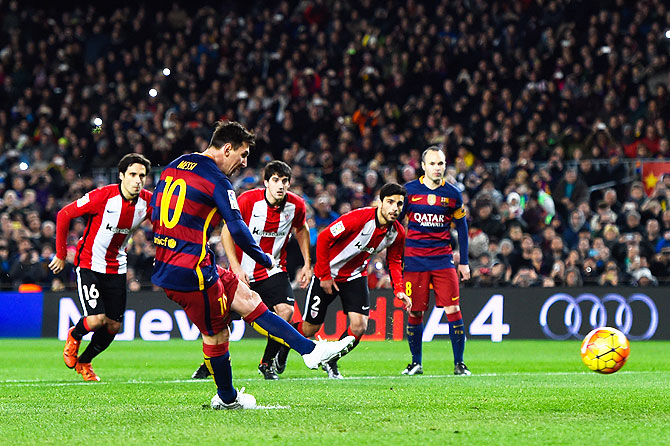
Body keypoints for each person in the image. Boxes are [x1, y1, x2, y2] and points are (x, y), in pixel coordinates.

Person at [150, 121, 354, 409]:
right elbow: (236, 227)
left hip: (179, 260)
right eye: (243, 155)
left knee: (248, 298)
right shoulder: (218, 180)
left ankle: (310, 351)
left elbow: (155, 210)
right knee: (217, 334)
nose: (244, 162)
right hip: (191, 272)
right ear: (227, 148)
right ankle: (228, 398)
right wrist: (263, 257)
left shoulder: (176, 165)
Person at [191, 160, 312, 380]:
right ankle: (208, 364)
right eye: (275, 180)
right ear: (266, 182)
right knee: (220, 321)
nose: (281, 185)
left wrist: (307, 263)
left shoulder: (296, 205)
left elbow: (302, 228)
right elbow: (227, 230)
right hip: (241, 273)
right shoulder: (248, 200)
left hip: (273, 270)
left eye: (285, 181)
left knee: (285, 311)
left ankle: (267, 363)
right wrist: (236, 267)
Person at [49, 154, 153, 382]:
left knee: (114, 326)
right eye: (133, 175)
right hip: (89, 264)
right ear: (122, 176)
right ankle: (74, 334)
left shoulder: (148, 203)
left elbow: (166, 225)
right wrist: (60, 254)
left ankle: (85, 362)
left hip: (117, 268)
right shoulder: (103, 196)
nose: (138, 180)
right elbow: (64, 214)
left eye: (142, 176)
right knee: (96, 319)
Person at [291, 182, 411, 379]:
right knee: (310, 328)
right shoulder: (359, 218)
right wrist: (326, 275)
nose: (395, 208)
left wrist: (399, 289)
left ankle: (331, 360)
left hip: (355, 276)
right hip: (328, 272)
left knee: (359, 326)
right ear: (380, 203)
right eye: (390, 202)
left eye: (399, 204)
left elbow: (395, 261)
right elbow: (324, 238)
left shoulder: (397, 233)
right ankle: (282, 343)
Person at [401, 146, 472, 376]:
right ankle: (416, 363)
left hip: (442, 260)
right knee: (415, 312)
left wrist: (464, 262)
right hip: (415, 260)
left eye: (440, 163)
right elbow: (397, 224)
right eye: (432, 163)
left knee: (453, 308)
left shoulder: (452, 193)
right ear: (423, 166)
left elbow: (462, 227)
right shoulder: (409, 191)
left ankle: (459, 363)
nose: (437, 168)